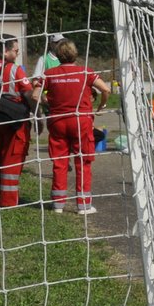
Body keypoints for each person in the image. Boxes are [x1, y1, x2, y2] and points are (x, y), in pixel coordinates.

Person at [40, 39, 111, 214]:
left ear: (57, 55)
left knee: (59, 162)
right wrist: (101, 105)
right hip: (80, 121)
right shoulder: (85, 72)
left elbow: (36, 94)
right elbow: (106, 90)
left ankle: (58, 205)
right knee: (83, 162)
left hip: (57, 121)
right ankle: (84, 205)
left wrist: (49, 103)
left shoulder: (49, 73)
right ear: (75, 53)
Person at [0, 33, 37, 208]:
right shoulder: (13, 69)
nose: (17, 53)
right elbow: (28, 93)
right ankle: (8, 201)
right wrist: (37, 114)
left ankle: (1, 194)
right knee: (12, 158)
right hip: (13, 119)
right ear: (5, 51)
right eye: (15, 50)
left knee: (0, 157)